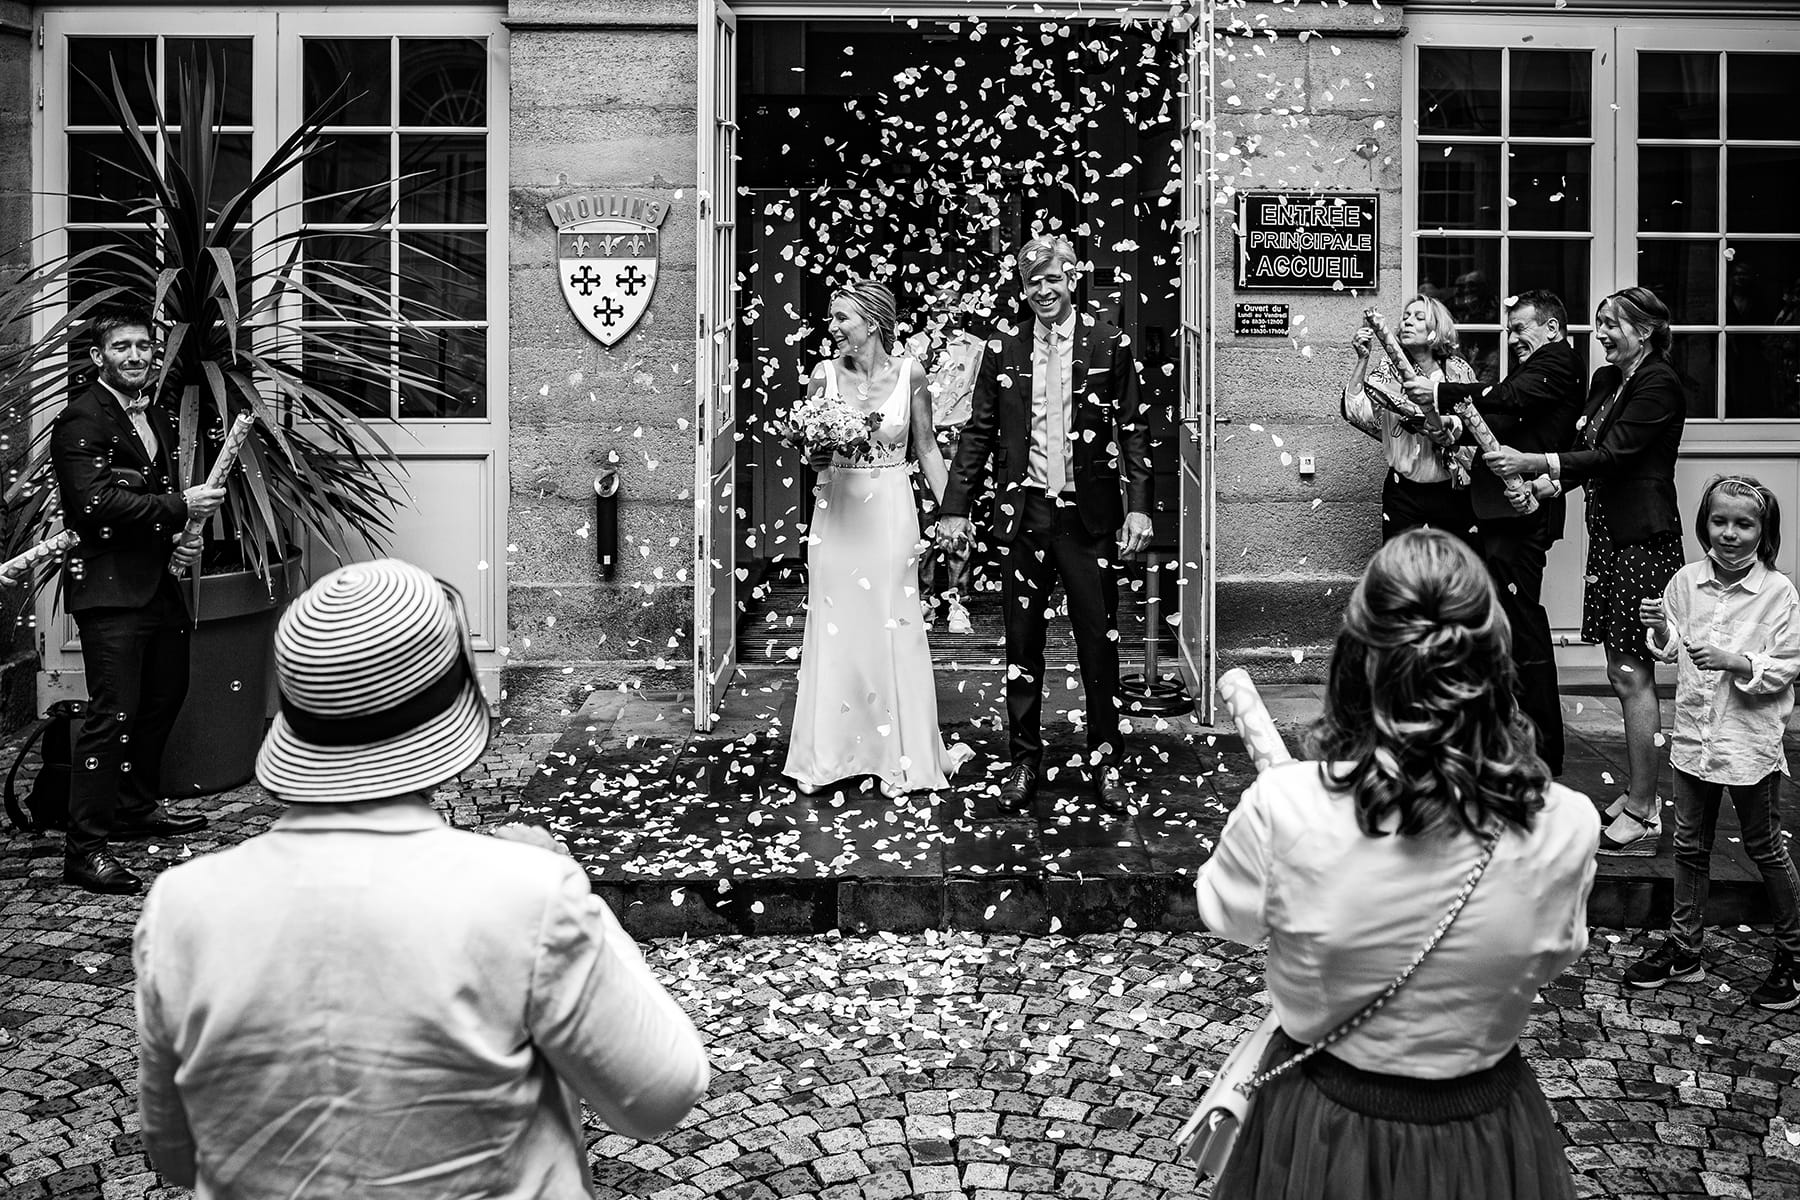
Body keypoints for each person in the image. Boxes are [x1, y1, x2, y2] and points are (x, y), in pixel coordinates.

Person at [132, 558, 710, 1193]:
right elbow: (662, 1093)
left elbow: (174, 1154)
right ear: (451, 713)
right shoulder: (526, 896)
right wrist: (581, 902)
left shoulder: (181, 908)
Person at [1194, 528, 1598, 1200]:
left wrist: (1281, 829)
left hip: (1320, 1131)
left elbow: (1227, 914)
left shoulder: (1285, 807)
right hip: (1486, 1136)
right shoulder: (1567, 822)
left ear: (1358, 658)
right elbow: (1552, 955)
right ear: (1495, 663)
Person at [935, 234, 1153, 815]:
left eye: (1053, 279)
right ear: (1023, 288)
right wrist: (955, 506)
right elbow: (979, 432)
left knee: (1098, 647)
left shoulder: (1110, 341)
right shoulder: (1002, 347)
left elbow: (1132, 429)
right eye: (1034, 282)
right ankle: (1023, 762)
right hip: (1025, 515)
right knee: (1022, 647)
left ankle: (1106, 758)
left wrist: (1138, 505)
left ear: (1072, 279)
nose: (1044, 291)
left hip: (1089, 519)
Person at [1486, 286, 1687, 856]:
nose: (1599, 333)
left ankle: (1645, 811)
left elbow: (1616, 455)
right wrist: (1546, 485)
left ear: (1644, 331)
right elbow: (1582, 450)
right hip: (1607, 543)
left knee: (1632, 674)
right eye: (1598, 322)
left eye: (1611, 324)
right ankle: (1635, 791)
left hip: (1643, 541)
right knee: (1620, 670)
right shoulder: (1604, 381)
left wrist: (1536, 462)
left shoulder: (1659, 383)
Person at [50, 305, 226, 895]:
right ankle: (86, 850)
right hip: (109, 592)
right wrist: (182, 508)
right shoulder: (81, 420)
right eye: (121, 347)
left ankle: (133, 807)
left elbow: (150, 492)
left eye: (143, 346)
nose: (135, 356)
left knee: (162, 697)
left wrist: (178, 537)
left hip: (157, 585)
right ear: (99, 358)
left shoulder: (151, 412)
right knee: (110, 717)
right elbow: (94, 506)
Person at [1625, 476, 1800, 1010]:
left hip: (1747, 744)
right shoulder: (1685, 582)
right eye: (1720, 522)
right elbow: (1672, 646)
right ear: (1705, 525)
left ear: (1764, 533)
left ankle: (1791, 956)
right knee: (1688, 848)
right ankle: (1685, 947)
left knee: (1765, 847)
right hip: (1694, 742)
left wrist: (1737, 661)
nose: (1730, 533)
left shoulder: (1778, 592)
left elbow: (1789, 666)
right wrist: (1658, 628)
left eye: (1744, 524)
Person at [782, 279, 953, 797]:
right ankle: (828, 756)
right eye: (833, 318)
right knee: (836, 627)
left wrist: (954, 516)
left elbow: (925, 449)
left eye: (841, 319)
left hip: (890, 510)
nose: (832, 328)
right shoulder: (823, 376)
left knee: (891, 624)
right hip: (837, 511)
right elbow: (807, 453)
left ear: (872, 323)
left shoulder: (911, 375)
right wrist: (811, 451)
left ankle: (896, 758)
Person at [1404, 289, 1585, 776]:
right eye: (1509, 331)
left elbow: (1507, 399)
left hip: (1520, 514)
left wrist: (1441, 394)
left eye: (1520, 328)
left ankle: (1543, 750)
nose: (1513, 338)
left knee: (1522, 625)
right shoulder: (1537, 365)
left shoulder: (1558, 362)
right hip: (1497, 512)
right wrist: (1454, 431)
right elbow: (1500, 420)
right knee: (1502, 625)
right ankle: (1510, 735)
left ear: (1551, 328)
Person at [1343, 295, 1479, 546]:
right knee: (1402, 571)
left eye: (1418, 318)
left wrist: (1449, 428)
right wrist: (1362, 360)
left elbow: (1476, 424)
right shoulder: (1389, 370)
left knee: (1452, 573)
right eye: (1405, 317)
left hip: (1452, 491)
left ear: (1436, 329)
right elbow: (1357, 412)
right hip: (1403, 492)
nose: (1407, 323)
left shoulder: (1458, 370)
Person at [910, 296, 986, 635]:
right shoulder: (914, 345)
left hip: (958, 438)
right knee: (921, 523)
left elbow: (982, 396)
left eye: (954, 308)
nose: (948, 314)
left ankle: (958, 602)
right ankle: (923, 601)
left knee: (958, 519)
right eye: (941, 308)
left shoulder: (977, 348)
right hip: (921, 439)